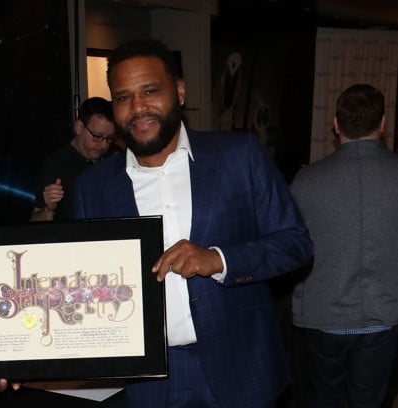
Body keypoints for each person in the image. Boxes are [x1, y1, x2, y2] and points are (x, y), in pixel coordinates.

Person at [71, 38, 312, 408]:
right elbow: (79, 289)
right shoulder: (93, 187)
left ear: (179, 91)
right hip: (147, 381)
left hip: (239, 368)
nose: (137, 107)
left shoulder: (238, 156)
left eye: (150, 91)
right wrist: (19, 355)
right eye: (123, 97)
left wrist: (219, 260)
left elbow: (295, 243)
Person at [290, 83, 398, 408]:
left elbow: (291, 248)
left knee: (324, 400)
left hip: (323, 317)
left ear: (336, 124)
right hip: (385, 317)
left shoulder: (306, 181)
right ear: (382, 124)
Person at [29, 96, 115, 221]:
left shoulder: (110, 163)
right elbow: (34, 224)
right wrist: (48, 209)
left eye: (109, 139)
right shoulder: (55, 166)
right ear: (79, 127)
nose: (103, 145)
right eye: (97, 136)